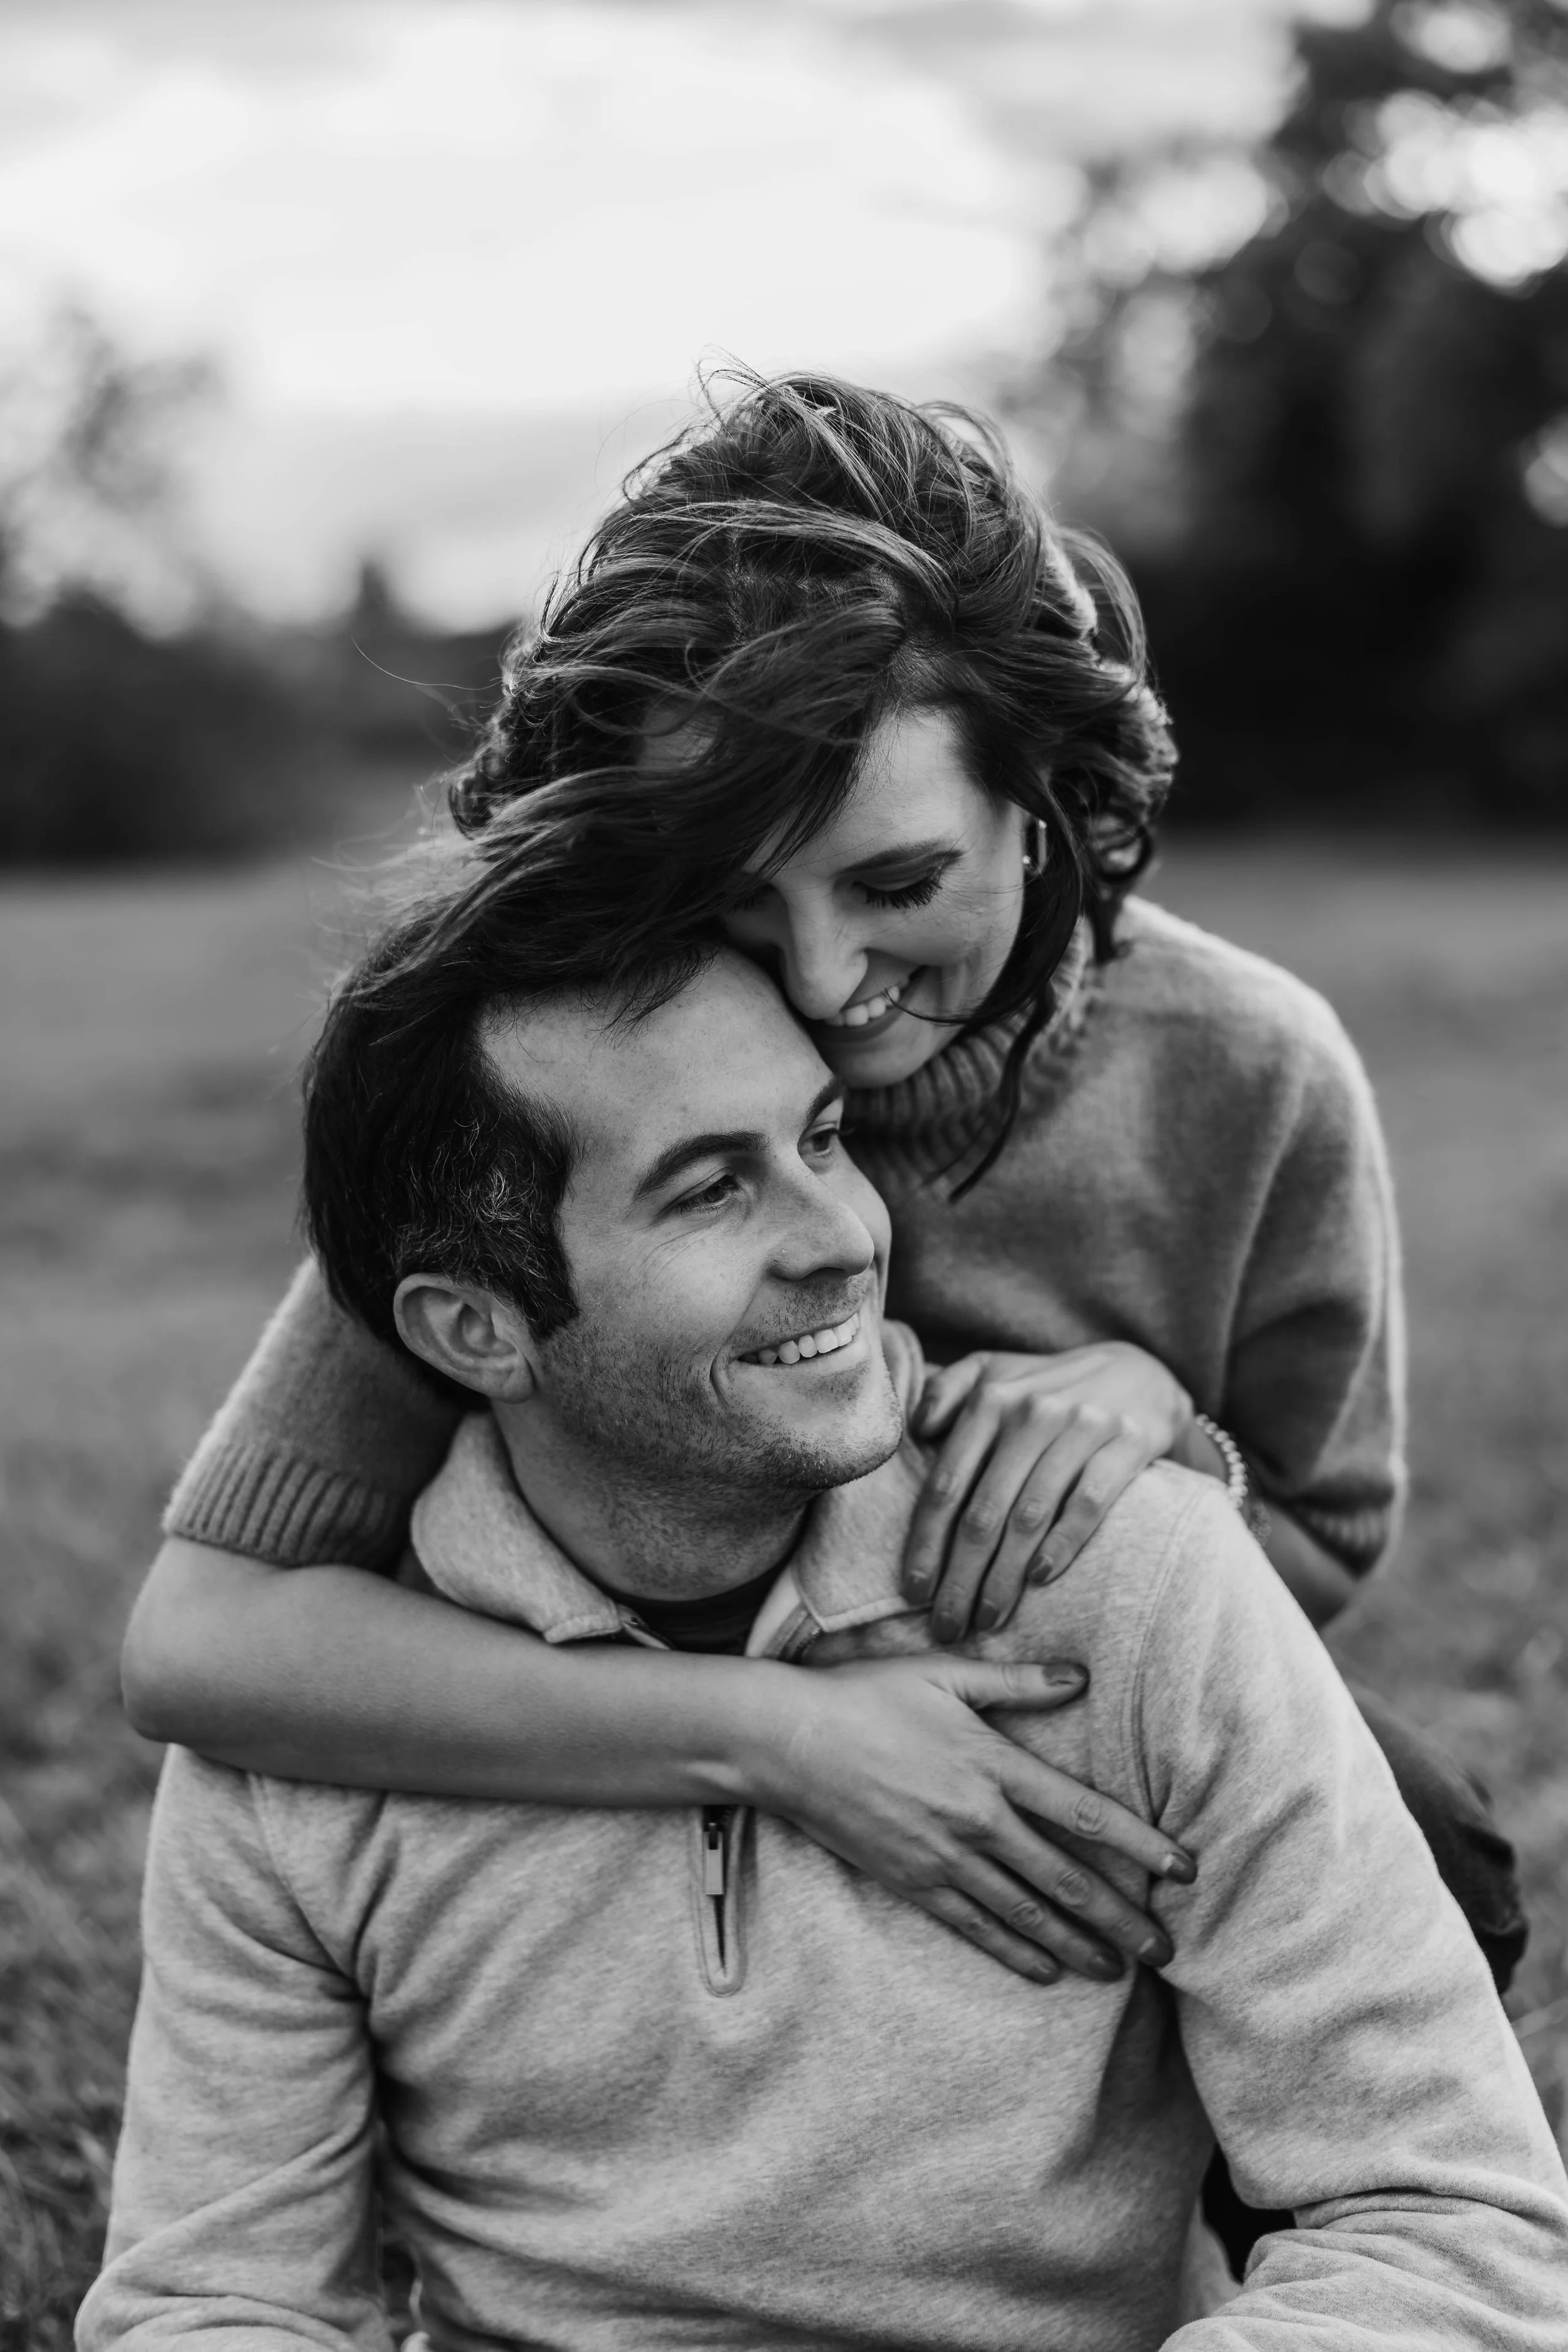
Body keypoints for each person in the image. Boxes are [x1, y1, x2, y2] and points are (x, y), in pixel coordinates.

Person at [119, 373, 1524, 2018]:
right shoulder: (579, 1076)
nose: (823, 981)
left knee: (1425, 1841)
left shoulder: (1247, 1069)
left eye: (896, 881)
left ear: (1044, 793)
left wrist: (1167, 1437)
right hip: (625, 1760)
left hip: (1044, 1725)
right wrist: (778, 1734)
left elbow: (1317, 1534)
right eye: (731, 899)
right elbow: (202, 1638)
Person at [80, 885, 1568, 2352]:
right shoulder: (304, 1719)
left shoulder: (1126, 1580)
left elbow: (1451, 2230)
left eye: (821, 1138)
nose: (846, 1238)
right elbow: (214, 2301)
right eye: (710, 1188)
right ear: (478, 1329)